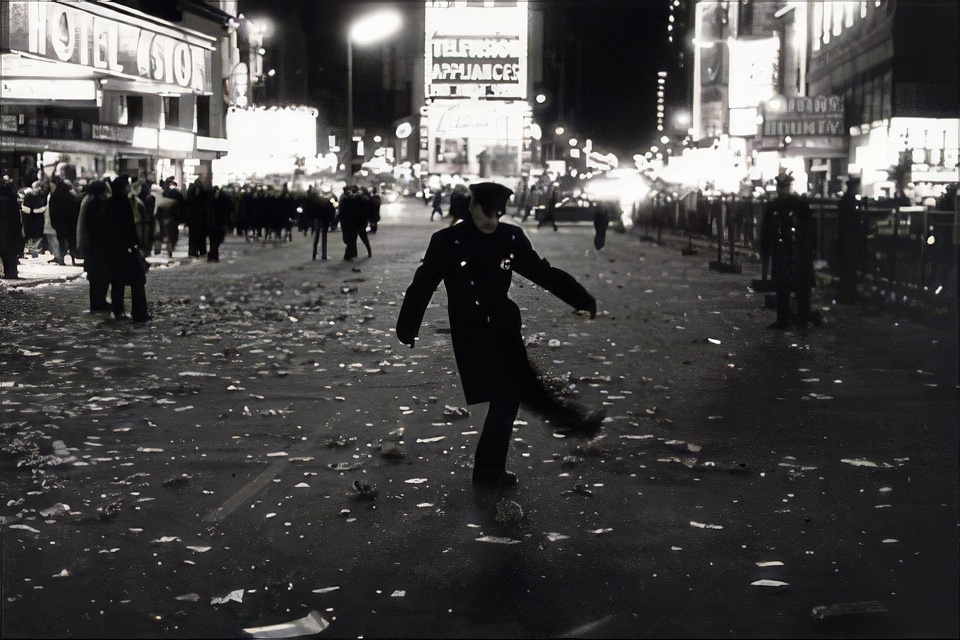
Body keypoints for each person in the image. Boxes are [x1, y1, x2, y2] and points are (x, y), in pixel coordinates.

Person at [396, 182, 604, 489]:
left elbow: (541, 273)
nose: (492, 219)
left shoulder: (510, 237)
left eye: (498, 212)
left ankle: (491, 469)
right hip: (471, 331)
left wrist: (580, 297)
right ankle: (565, 427)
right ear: (472, 207)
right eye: (487, 211)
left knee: (512, 395)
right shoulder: (448, 241)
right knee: (513, 392)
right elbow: (423, 283)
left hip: (504, 326)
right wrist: (407, 326)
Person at [760, 172, 815, 329]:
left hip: (797, 250)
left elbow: (809, 229)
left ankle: (800, 317)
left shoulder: (799, 205)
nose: (782, 190)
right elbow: (767, 230)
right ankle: (786, 318)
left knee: (799, 285)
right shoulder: (776, 206)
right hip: (785, 250)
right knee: (784, 286)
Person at [104, 175, 150, 322]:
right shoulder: (124, 201)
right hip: (125, 247)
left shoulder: (109, 202)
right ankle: (139, 312)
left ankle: (118, 310)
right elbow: (128, 225)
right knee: (136, 279)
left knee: (117, 281)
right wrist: (135, 244)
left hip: (112, 247)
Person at [76, 178, 112, 312]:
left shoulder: (87, 201)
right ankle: (99, 302)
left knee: (94, 277)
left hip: (91, 246)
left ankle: (96, 303)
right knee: (102, 275)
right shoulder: (100, 204)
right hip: (99, 245)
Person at [836, 176, 862, 303]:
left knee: (846, 268)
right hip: (849, 239)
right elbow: (853, 221)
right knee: (849, 267)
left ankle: (845, 293)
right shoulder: (850, 201)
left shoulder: (845, 200)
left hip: (845, 238)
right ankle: (848, 294)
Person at [0, 175, 24, 279]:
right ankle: (11, 273)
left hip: (7, 228)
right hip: (10, 230)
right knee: (9, 254)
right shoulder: (10, 196)